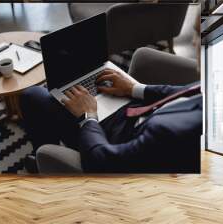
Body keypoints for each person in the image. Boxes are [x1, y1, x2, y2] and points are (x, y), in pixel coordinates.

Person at [20, 16, 202, 173]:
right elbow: (182, 92)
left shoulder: (170, 133)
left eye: (199, 34)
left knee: (33, 96)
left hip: (110, 138)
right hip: (138, 111)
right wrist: (134, 88)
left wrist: (88, 116)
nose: (194, 42)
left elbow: (102, 162)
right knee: (83, 76)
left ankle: (42, 160)